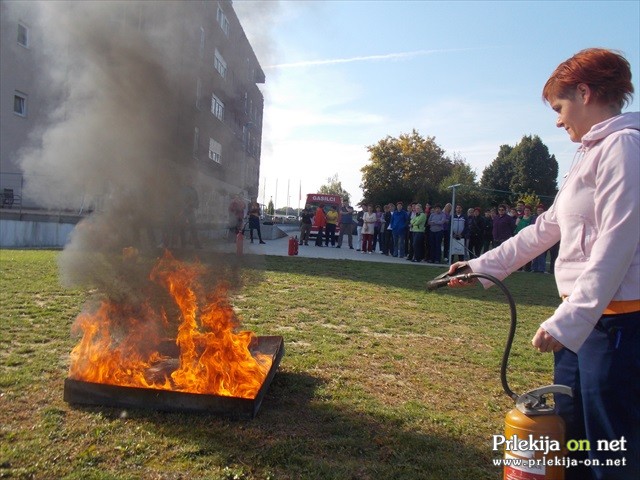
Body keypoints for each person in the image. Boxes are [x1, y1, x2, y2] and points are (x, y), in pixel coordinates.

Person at [446, 48, 639, 480]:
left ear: (585, 92)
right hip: (587, 324)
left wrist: (568, 320)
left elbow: (617, 244)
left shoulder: (624, 148)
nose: (557, 119)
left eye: (559, 106)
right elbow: (545, 227)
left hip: (616, 327)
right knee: (573, 443)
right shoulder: (590, 152)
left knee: (610, 451)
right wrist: (481, 267)